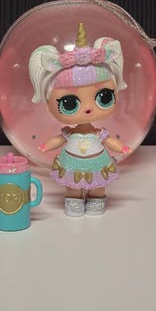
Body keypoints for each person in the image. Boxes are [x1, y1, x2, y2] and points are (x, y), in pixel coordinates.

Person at [28, 23, 131, 216]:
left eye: (104, 97)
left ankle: (96, 200)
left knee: (98, 185)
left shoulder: (99, 133)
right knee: (72, 186)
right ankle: (74, 201)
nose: (88, 108)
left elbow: (110, 141)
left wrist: (122, 148)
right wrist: (45, 146)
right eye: (69, 103)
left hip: (98, 164)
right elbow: (58, 140)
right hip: (72, 164)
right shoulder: (69, 133)